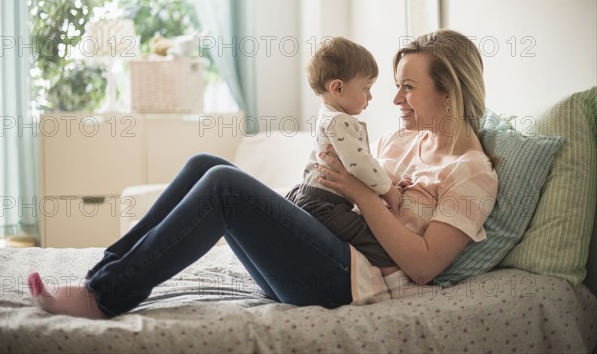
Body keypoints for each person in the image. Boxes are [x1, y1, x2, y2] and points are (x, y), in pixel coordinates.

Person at [27, 29, 497, 318]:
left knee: (224, 187)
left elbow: (422, 265)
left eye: (408, 88)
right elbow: (344, 189)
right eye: (395, 87)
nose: (395, 101)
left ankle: (104, 297)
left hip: (350, 282)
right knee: (206, 165)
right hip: (327, 251)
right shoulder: (403, 141)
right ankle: (101, 275)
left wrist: (366, 194)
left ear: (450, 93)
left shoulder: (472, 172)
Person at [285, 36, 410, 269]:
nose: (370, 97)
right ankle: (387, 285)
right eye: (366, 88)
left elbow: (364, 159)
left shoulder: (329, 117)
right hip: (325, 204)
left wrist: (390, 179)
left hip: (311, 196)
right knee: (378, 248)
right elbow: (359, 165)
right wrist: (389, 191)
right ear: (338, 88)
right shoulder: (339, 121)